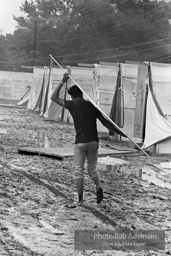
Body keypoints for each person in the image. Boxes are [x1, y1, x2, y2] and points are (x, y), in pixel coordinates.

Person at [51, 73, 115, 206]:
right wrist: (117, 131)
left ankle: (80, 200)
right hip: (94, 141)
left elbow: (54, 97)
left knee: (78, 170)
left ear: (72, 96)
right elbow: (105, 121)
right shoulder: (91, 105)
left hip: (81, 142)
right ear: (82, 94)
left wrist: (62, 81)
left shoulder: (72, 105)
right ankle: (97, 186)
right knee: (92, 168)